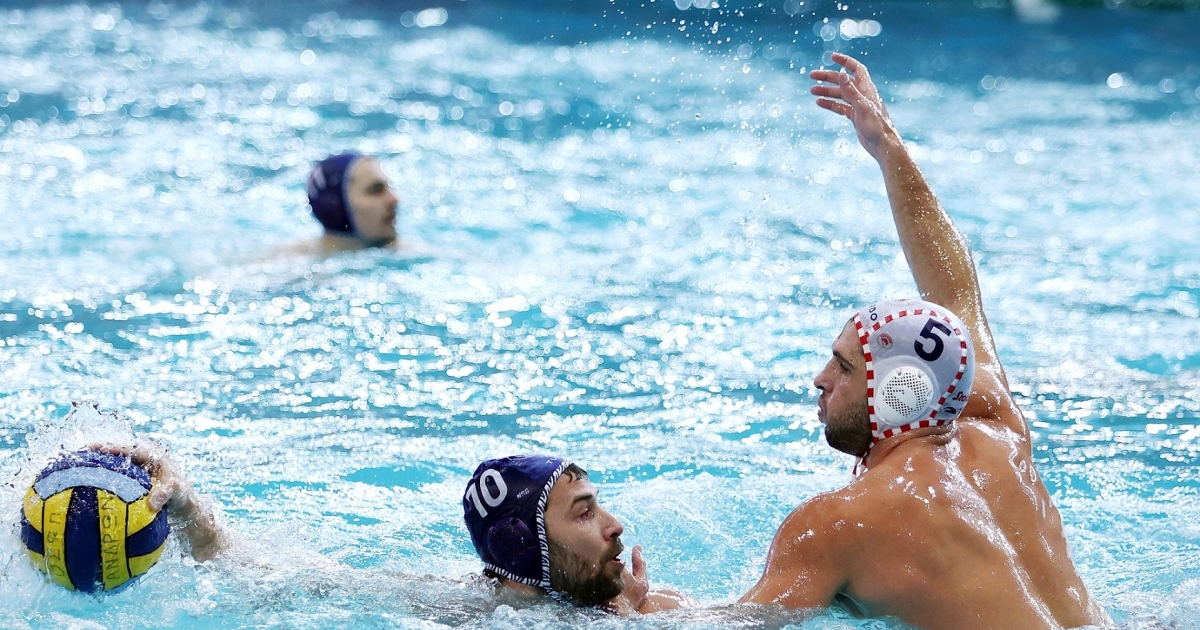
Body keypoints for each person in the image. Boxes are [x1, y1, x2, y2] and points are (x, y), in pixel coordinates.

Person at [735, 53, 1110, 629]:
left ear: (901, 391)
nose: (819, 380)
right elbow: (957, 294)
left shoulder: (837, 524)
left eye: (844, 367)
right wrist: (887, 146)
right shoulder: (999, 433)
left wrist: (618, 603)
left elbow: (727, 624)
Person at [462, 454, 691, 615]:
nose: (615, 526)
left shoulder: (655, 607)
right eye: (584, 513)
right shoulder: (458, 616)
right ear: (520, 547)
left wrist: (631, 613)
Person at [299, 152, 400, 253]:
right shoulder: (296, 260)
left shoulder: (404, 252)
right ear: (336, 206)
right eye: (376, 190)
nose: (394, 199)